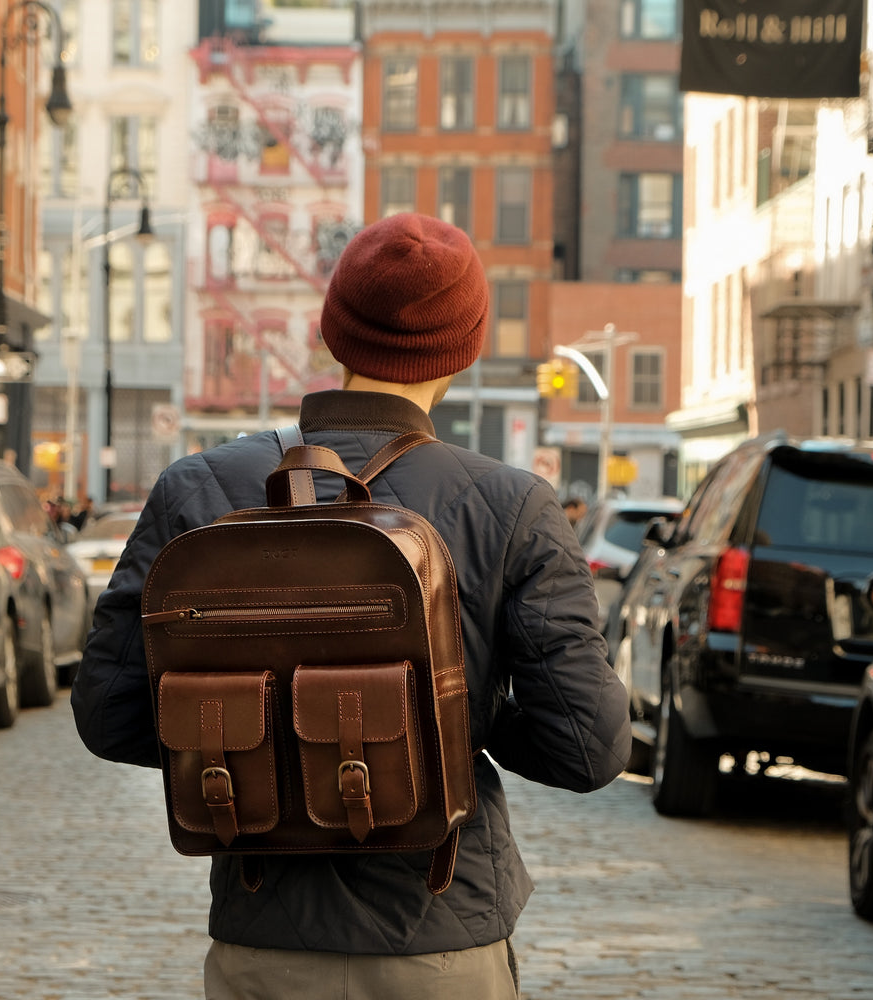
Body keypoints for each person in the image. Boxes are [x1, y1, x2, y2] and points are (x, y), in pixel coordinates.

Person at [71, 212, 631, 1000]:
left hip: (261, 940)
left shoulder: (195, 489)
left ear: (335, 330)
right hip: (442, 942)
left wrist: (258, 742)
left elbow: (109, 714)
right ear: (464, 349)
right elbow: (589, 747)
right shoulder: (513, 507)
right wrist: (451, 715)